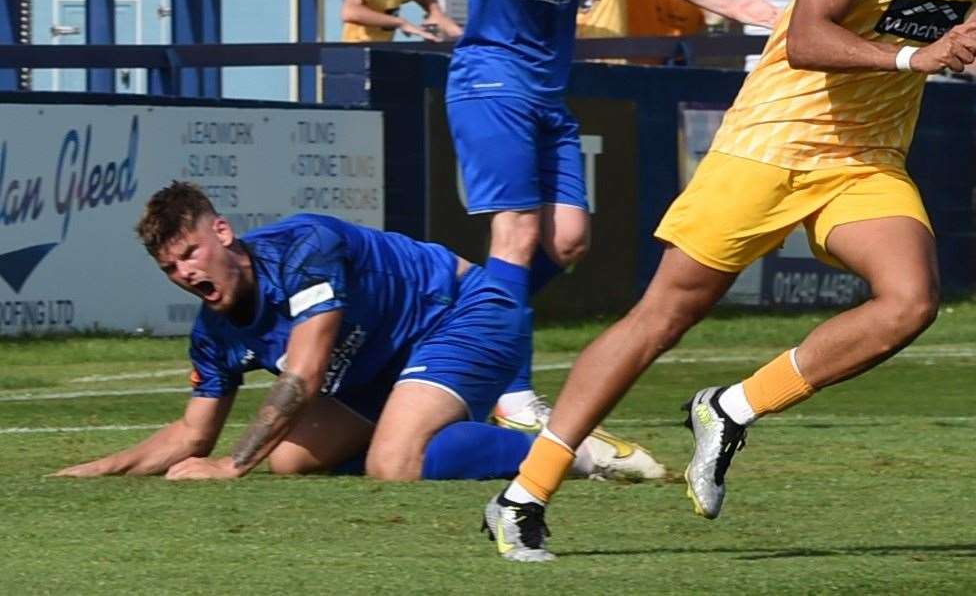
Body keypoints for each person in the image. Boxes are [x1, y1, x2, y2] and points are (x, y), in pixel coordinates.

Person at [480, 0, 976, 562]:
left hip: (865, 155)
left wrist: (974, 28)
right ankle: (524, 493)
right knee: (663, 316)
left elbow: (954, 2)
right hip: (773, 139)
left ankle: (729, 407)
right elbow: (806, 37)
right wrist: (918, 55)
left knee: (909, 300)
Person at [442, 0, 779, 447]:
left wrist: (734, 7)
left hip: (545, 91)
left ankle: (469, 314)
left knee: (567, 239)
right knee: (515, 237)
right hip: (490, 83)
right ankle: (511, 389)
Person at [55, 182, 656, 483]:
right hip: (385, 364)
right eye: (170, 268)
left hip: (460, 312)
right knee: (289, 460)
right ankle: (449, 428)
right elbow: (192, 433)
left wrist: (230, 468)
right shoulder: (213, 331)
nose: (185, 274)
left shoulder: (303, 251)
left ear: (222, 231)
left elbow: (305, 374)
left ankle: (566, 453)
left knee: (394, 463)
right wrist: (93, 471)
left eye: (189, 253)